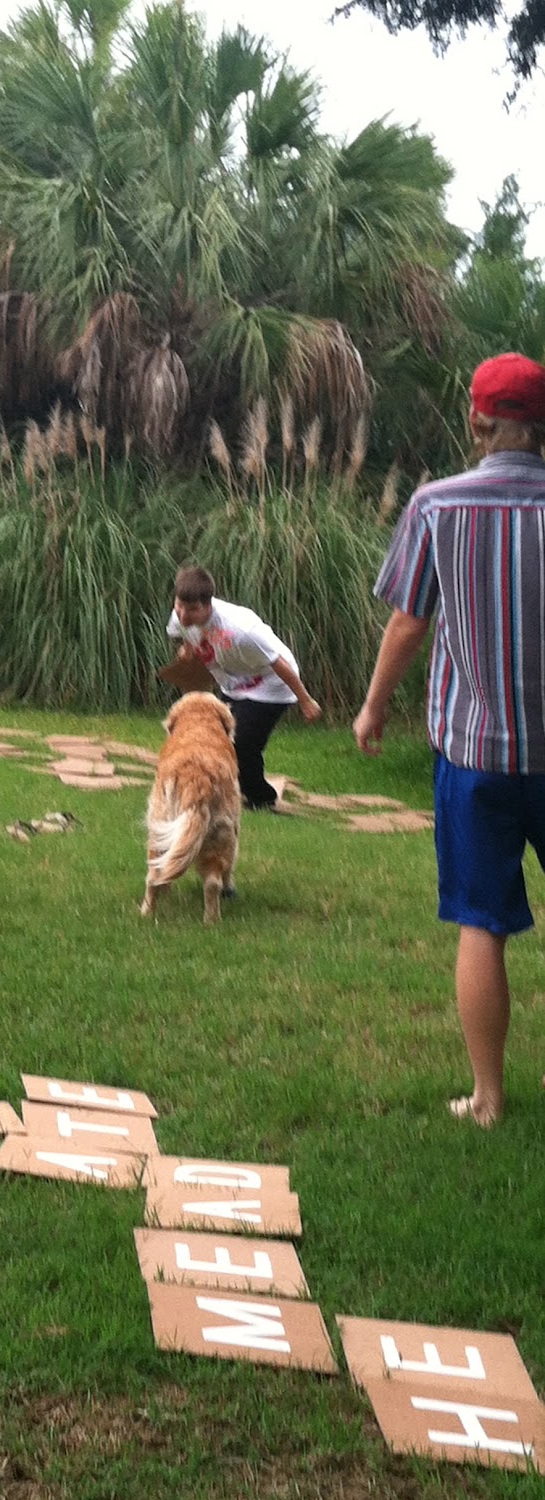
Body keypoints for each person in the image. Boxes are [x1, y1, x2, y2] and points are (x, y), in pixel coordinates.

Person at [354, 351, 545, 1127]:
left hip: (474, 755)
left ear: (476, 420)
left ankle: (488, 1099)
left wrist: (370, 709)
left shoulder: (437, 506)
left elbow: (407, 622)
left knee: (480, 923)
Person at [166, 565, 322, 809]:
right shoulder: (181, 615)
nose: (184, 615)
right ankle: (223, 787)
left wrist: (305, 701)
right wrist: (187, 651)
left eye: (192, 610)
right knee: (216, 735)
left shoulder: (240, 629)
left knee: (243, 743)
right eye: (180, 606)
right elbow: (186, 634)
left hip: (272, 684)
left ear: (208, 605)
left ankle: (261, 798)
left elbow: (278, 663)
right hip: (234, 681)